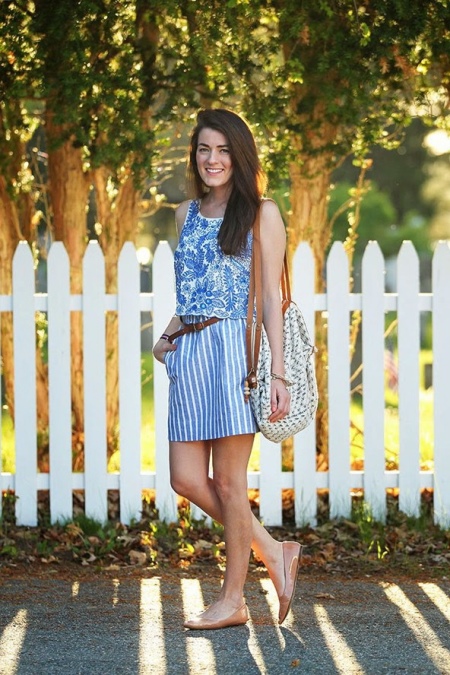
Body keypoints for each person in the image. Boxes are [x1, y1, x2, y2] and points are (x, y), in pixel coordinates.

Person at [153, 108, 302, 630]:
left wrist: (277, 373)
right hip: (189, 352)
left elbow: (270, 300)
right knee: (186, 478)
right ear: (195, 155)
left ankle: (233, 599)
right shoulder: (185, 214)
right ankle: (272, 549)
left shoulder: (262, 212)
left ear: (239, 156)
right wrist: (168, 336)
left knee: (230, 483)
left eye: (222, 150)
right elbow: (192, 289)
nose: (212, 159)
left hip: (234, 354)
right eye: (203, 149)